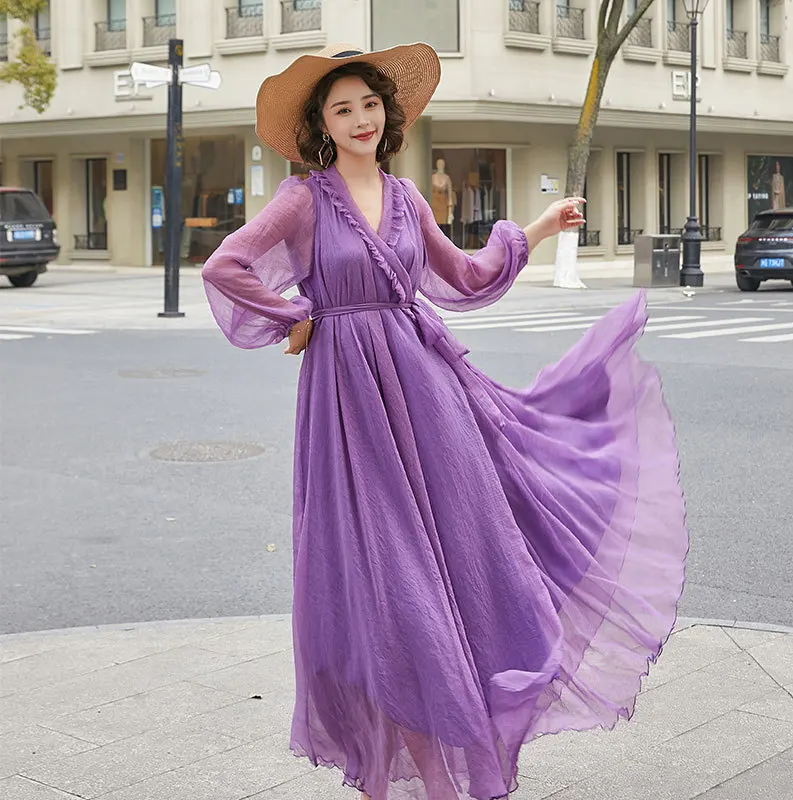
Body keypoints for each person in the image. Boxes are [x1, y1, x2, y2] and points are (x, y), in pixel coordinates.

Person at [201, 42, 688, 800]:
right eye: (343, 108)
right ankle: (414, 762)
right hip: (350, 407)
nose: (360, 118)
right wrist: (300, 312)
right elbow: (224, 267)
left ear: (386, 114)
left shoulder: (405, 199)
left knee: (469, 549)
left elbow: (462, 277)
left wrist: (539, 228)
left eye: (369, 104)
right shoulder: (304, 200)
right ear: (322, 125)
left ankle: (452, 753)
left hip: (428, 392)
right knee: (388, 579)